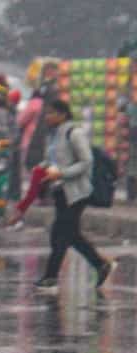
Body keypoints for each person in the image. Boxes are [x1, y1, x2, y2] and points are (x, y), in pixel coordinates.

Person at [34, 99, 117, 291]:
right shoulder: (54, 135)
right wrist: (41, 169)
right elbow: (51, 159)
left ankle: (54, 275)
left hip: (78, 192)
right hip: (61, 191)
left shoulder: (75, 133)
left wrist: (62, 173)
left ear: (63, 114)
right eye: (47, 113)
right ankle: (95, 265)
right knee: (63, 233)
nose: (48, 117)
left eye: (52, 113)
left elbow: (86, 161)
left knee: (64, 232)